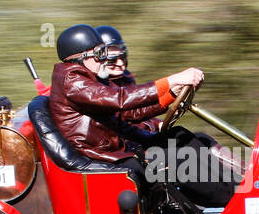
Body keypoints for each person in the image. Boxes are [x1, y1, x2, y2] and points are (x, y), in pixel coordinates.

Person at [48, 24, 203, 194]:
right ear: (80, 57)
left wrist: (171, 94)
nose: (104, 59)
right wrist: (171, 80)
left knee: (180, 137)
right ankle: (226, 203)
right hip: (98, 155)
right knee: (181, 156)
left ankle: (231, 191)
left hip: (112, 147)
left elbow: (128, 113)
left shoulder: (85, 79)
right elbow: (120, 99)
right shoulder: (73, 80)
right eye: (100, 53)